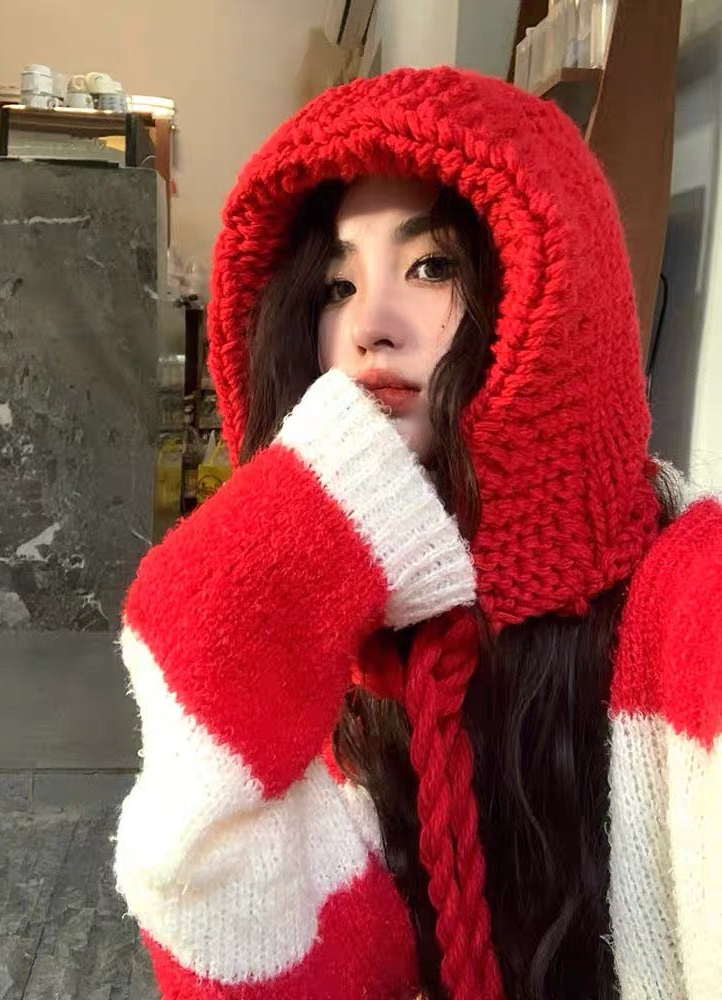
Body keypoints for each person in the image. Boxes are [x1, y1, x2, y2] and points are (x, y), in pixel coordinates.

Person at [113, 66, 722, 1000]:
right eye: (335, 284)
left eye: (432, 267)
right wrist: (215, 628)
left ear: (551, 291)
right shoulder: (349, 627)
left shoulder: (688, 595)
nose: (370, 326)